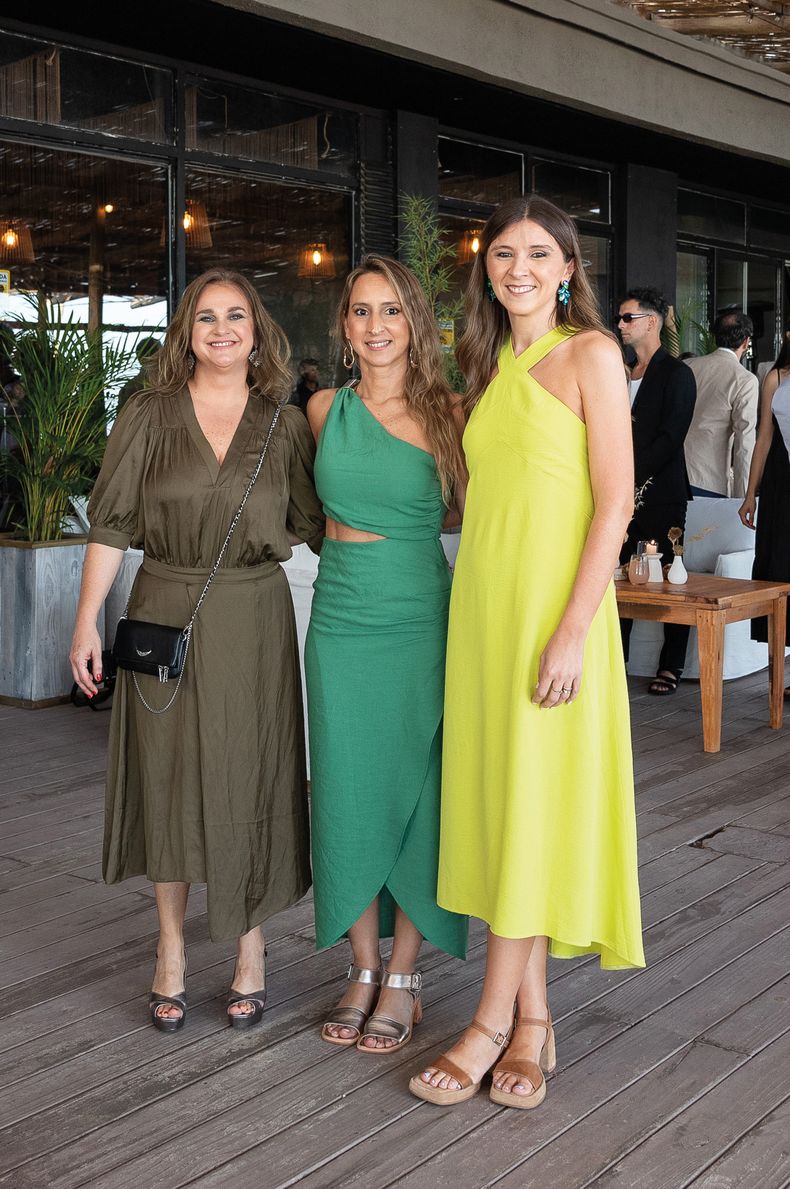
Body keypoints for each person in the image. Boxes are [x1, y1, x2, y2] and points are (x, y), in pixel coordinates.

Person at [410, 196, 644, 1110]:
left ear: (568, 267)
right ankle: (535, 1020)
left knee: (529, 804)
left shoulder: (592, 354)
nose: (519, 268)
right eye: (503, 254)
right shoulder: (486, 366)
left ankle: (486, 1023)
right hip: (485, 617)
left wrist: (573, 629)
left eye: (538, 254)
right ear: (487, 269)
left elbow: (615, 501)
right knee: (513, 810)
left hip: (555, 619)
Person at [69, 269, 324, 1032]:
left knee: (251, 774)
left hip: (253, 616)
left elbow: (318, 522)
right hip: (164, 611)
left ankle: (251, 947)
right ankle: (171, 947)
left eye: (235, 315)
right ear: (186, 332)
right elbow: (112, 523)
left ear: (257, 331)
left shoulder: (284, 424)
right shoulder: (148, 413)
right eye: (206, 317)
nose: (221, 329)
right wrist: (86, 621)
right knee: (170, 777)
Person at [305, 254, 468, 1054]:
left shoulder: (451, 414)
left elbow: (487, 509)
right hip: (339, 615)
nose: (377, 326)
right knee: (345, 783)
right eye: (362, 310)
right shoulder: (321, 409)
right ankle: (362, 964)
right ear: (345, 326)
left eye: (392, 310)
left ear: (416, 323)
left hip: (418, 617)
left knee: (421, 788)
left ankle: (404, 974)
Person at [617, 287, 697, 697]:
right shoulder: (619, 371)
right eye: (619, 318)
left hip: (662, 492)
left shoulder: (677, 373)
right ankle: (615, 664)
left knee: (670, 578)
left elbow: (671, 436)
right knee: (617, 575)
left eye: (627, 317)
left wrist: (628, 476)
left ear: (652, 321)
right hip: (617, 494)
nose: (620, 325)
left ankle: (671, 665)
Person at [739, 322, 790, 684]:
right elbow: (764, 439)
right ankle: (780, 677)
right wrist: (749, 494)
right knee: (781, 572)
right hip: (781, 488)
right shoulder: (776, 377)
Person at [685, 310, 758, 498]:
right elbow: (745, 443)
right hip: (709, 479)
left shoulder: (687, 366)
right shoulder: (744, 380)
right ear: (746, 342)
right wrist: (743, 496)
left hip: (673, 475)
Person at [116, 336, 161, 412]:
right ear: (157, 356)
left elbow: (121, 417)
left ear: (139, 358)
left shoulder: (127, 388)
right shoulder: (167, 386)